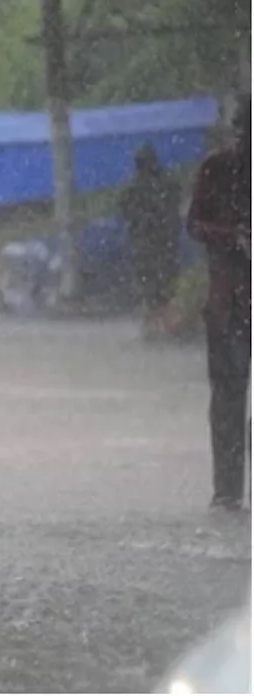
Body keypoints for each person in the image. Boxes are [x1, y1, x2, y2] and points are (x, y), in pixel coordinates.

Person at [186, 98, 252, 511]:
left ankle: (229, 491)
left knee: (228, 397)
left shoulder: (219, 166)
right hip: (228, 304)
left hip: (228, 304)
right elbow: (194, 224)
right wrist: (235, 236)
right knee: (228, 397)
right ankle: (227, 490)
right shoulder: (218, 168)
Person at [120, 145, 182, 338]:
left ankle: (152, 328)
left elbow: (125, 211)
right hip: (164, 245)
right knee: (164, 287)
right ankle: (164, 327)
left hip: (146, 246)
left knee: (149, 288)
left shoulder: (135, 187)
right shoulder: (166, 184)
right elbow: (174, 207)